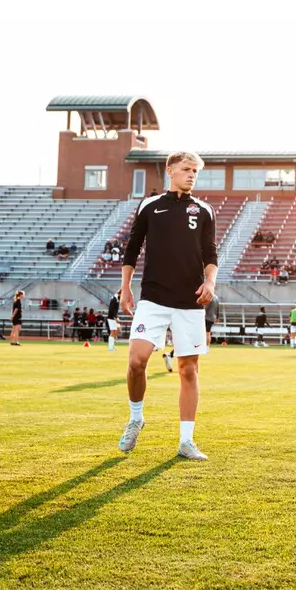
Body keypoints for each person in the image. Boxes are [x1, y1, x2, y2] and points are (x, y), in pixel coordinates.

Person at [117, 152, 219, 461]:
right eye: (186, 169)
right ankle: (136, 418)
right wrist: (125, 288)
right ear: (170, 170)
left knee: (188, 370)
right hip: (153, 299)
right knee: (137, 361)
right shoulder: (150, 206)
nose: (191, 175)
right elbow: (132, 249)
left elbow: (210, 252)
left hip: (190, 302)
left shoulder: (204, 210)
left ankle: (186, 441)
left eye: (195, 171)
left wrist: (210, 282)